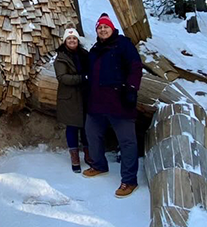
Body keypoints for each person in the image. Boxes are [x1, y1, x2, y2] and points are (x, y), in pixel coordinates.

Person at [83, 13, 143, 198]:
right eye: (99, 27)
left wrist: (132, 89)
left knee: (127, 142)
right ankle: (99, 165)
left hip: (120, 102)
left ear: (112, 28)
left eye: (105, 27)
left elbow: (135, 66)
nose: (102, 29)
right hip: (97, 103)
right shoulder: (94, 49)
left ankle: (129, 180)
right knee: (92, 133)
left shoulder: (123, 44)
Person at [54, 28, 94, 173]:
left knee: (86, 126)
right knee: (72, 127)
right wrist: (83, 78)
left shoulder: (84, 55)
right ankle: (74, 157)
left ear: (78, 41)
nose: (72, 41)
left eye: (74, 39)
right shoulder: (61, 58)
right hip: (70, 98)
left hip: (85, 96)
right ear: (65, 41)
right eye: (69, 39)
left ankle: (88, 154)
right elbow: (63, 78)